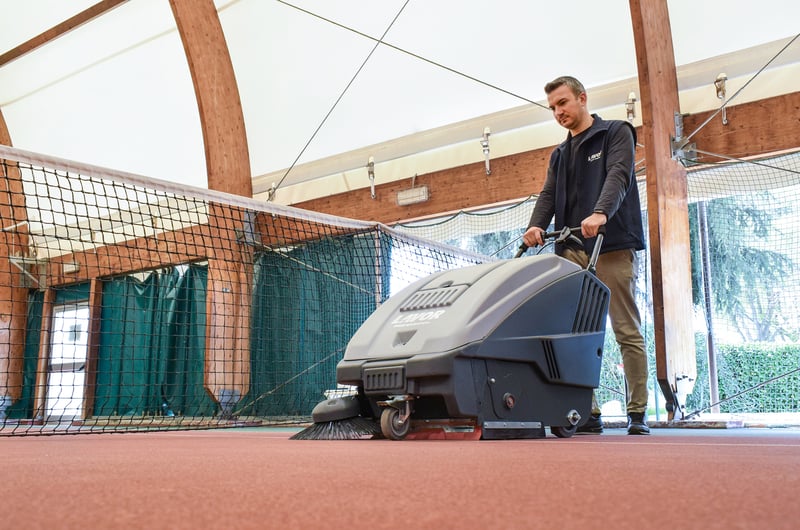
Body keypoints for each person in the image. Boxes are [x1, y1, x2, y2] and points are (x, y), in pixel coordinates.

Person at [523, 76, 649, 435]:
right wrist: (536, 226)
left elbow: (619, 175)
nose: (558, 112)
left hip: (609, 244)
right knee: (575, 332)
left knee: (625, 328)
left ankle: (637, 412)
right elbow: (548, 195)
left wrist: (601, 212)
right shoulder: (560, 154)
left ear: (582, 98)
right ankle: (585, 411)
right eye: (552, 108)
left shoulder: (615, 132)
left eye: (563, 103)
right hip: (571, 249)